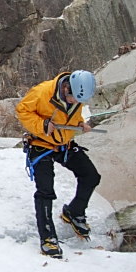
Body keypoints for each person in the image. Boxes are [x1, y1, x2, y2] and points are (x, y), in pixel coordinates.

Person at [16, 70, 101, 258]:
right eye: (73, 98)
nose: (75, 102)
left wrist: (80, 123)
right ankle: (47, 237)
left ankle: (74, 212)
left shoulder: (77, 95)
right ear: (65, 88)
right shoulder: (42, 92)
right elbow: (22, 110)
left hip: (64, 144)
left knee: (91, 176)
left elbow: (70, 114)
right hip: (40, 143)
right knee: (45, 190)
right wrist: (42, 125)